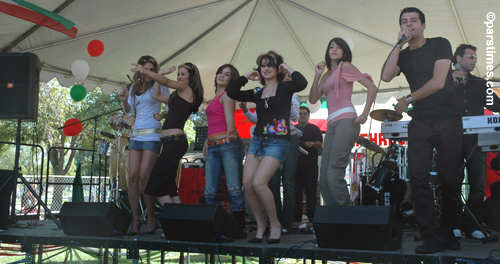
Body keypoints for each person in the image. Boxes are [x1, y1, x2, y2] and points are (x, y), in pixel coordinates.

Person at [381, 7, 463, 253]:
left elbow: (438, 82)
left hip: (447, 118)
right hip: (421, 122)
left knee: (450, 178)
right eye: (404, 22)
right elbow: (385, 76)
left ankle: (448, 231)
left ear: (423, 25)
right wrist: (397, 44)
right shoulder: (403, 55)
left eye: (413, 21)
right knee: (417, 178)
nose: (409, 25)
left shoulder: (440, 44)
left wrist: (408, 97)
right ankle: (431, 235)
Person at [227, 51, 307, 244]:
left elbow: (302, 82)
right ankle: (261, 225)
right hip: (257, 141)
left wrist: (286, 66)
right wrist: (246, 76)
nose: (267, 68)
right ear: (259, 70)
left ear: (277, 67)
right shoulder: (257, 92)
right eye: (263, 65)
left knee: (259, 183)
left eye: (271, 64)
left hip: (278, 142)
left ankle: (275, 224)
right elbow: (232, 92)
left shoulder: (286, 88)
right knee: (247, 184)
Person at [309, 38, 376, 207]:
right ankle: (334, 218)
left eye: (338, 47)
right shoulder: (326, 75)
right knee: (324, 176)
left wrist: (364, 114)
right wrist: (317, 75)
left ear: (344, 51)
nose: (334, 49)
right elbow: (312, 98)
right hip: (332, 124)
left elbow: (372, 87)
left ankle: (347, 214)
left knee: (334, 173)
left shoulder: (344, 67)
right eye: (331, 46)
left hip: (346, 120)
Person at [131, 62, 204, 211]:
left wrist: (145, 71)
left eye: (183, 74)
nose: (179, 77)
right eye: (178, 74)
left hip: (176, 142)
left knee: (155, 183)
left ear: (192, 77)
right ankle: (180, 218)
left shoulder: (186, 88)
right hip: (170, 143)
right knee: (169, 184)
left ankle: (174, 215)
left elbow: (166, 82)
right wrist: (161, 74)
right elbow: (156, 95)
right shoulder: (176, 95)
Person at [239, 75, 301, 232]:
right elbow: (258, 119)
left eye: (288, 76)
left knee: (287, 181)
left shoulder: (292, 94)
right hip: (268, 139)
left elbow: (295, 117)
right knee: (270, 182)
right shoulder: (265, 93)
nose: (286, 78)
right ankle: (274, 220)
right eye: (284, 76)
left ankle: (287, 222)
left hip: (289, 137)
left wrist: (289, 98)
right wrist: (246, 111)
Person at [452, 44, 500, 239]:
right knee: (452, 182)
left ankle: (473, 226)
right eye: (470, 57)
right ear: (458, 58)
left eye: (476, 58)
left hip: (475, 140)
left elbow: (496, 104)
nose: (474, 60)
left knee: (477, 183)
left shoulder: (480, 84)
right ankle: (453, 223)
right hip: (451, 138)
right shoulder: (444, 81)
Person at [119, 55, 170, 235]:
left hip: (153, 135)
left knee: (144, 176)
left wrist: (162, 115)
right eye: (145, 69)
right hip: (136, 135)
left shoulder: (160, 84)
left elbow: (170, 106)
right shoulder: (133, 87)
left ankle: (151, 216)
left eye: (151, 69)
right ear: (140, 70)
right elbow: (129, 110)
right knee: (132, 177)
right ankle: (135, 218)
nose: (148, 72)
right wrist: (124, 100)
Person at [202, 64, 246, 238]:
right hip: (213, 147)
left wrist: (230, 134)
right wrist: (207, 139)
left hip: (227, 144)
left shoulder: (227, 95)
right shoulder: (214, 97)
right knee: (210, 192)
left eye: (226, 74)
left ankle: (239, 229)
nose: (221, 75)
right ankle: (212, 228)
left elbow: (229, 117)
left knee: (234, 189)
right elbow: (213, 121)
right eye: (220, 72)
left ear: (231, 80)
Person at [294, 106, 323, 223]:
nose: (302, 116)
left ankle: (312, 217)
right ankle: (295, 217)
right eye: (300, 113)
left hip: (310, 166)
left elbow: (320, 144)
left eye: (304, 114)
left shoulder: (314, 129)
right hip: (295, 165)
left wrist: (311, 143)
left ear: (308, 116)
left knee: (311, 192)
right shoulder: (293, 129)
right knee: (296, 192)